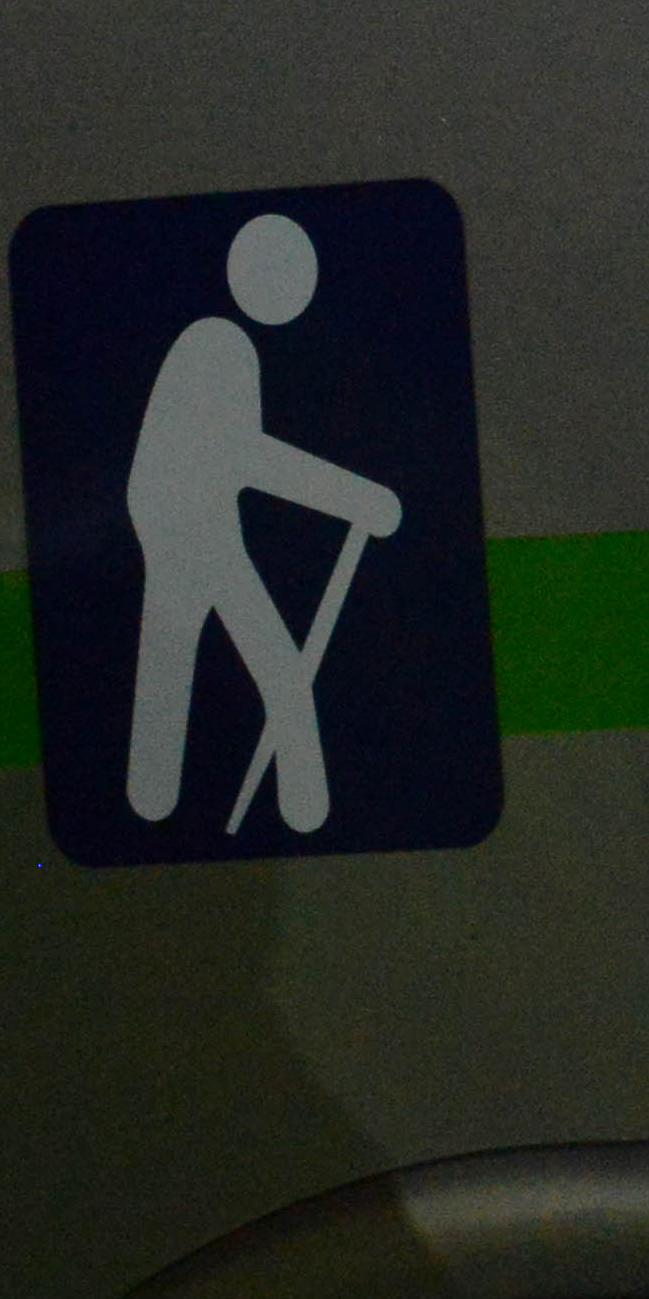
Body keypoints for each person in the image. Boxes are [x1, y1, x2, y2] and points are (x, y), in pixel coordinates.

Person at [121, 208, 405, 837]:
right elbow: (246, 456)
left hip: (204, 536)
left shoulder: (222, 345)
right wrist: (357, 498)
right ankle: (158, 814)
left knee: (261, 673)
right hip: (188, 537)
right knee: (244, 671)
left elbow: (233, 459)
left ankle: (296, 815)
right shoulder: (218, 345)